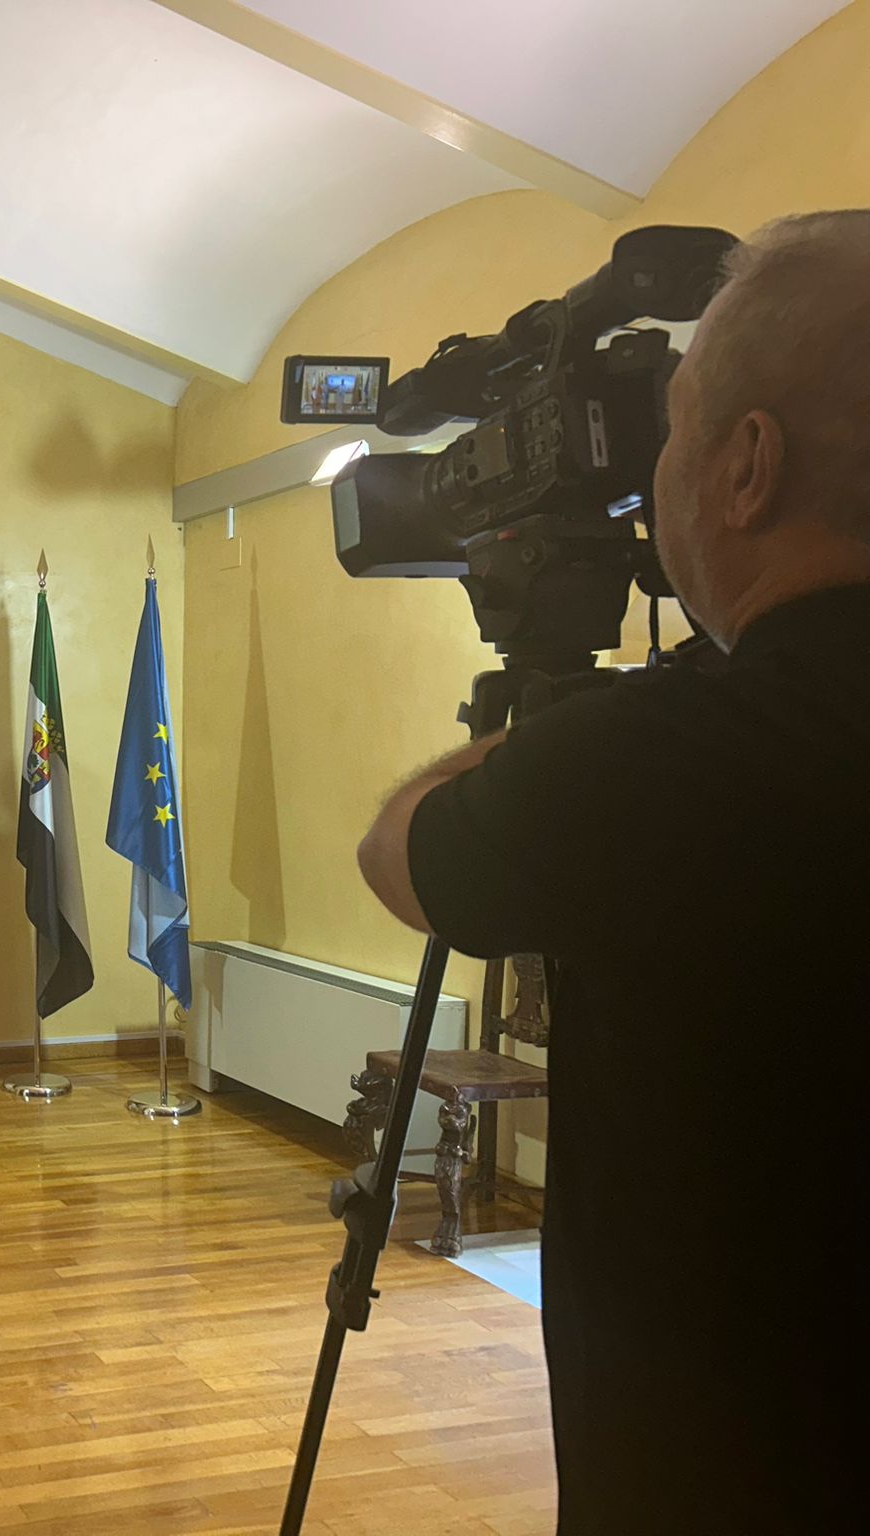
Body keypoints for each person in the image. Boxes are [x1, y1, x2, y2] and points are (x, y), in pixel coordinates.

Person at [356, 211, 868, 1531]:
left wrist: (551, 724)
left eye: (674, 430)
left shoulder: (665, 760)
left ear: (746, 466)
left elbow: (405, 852)